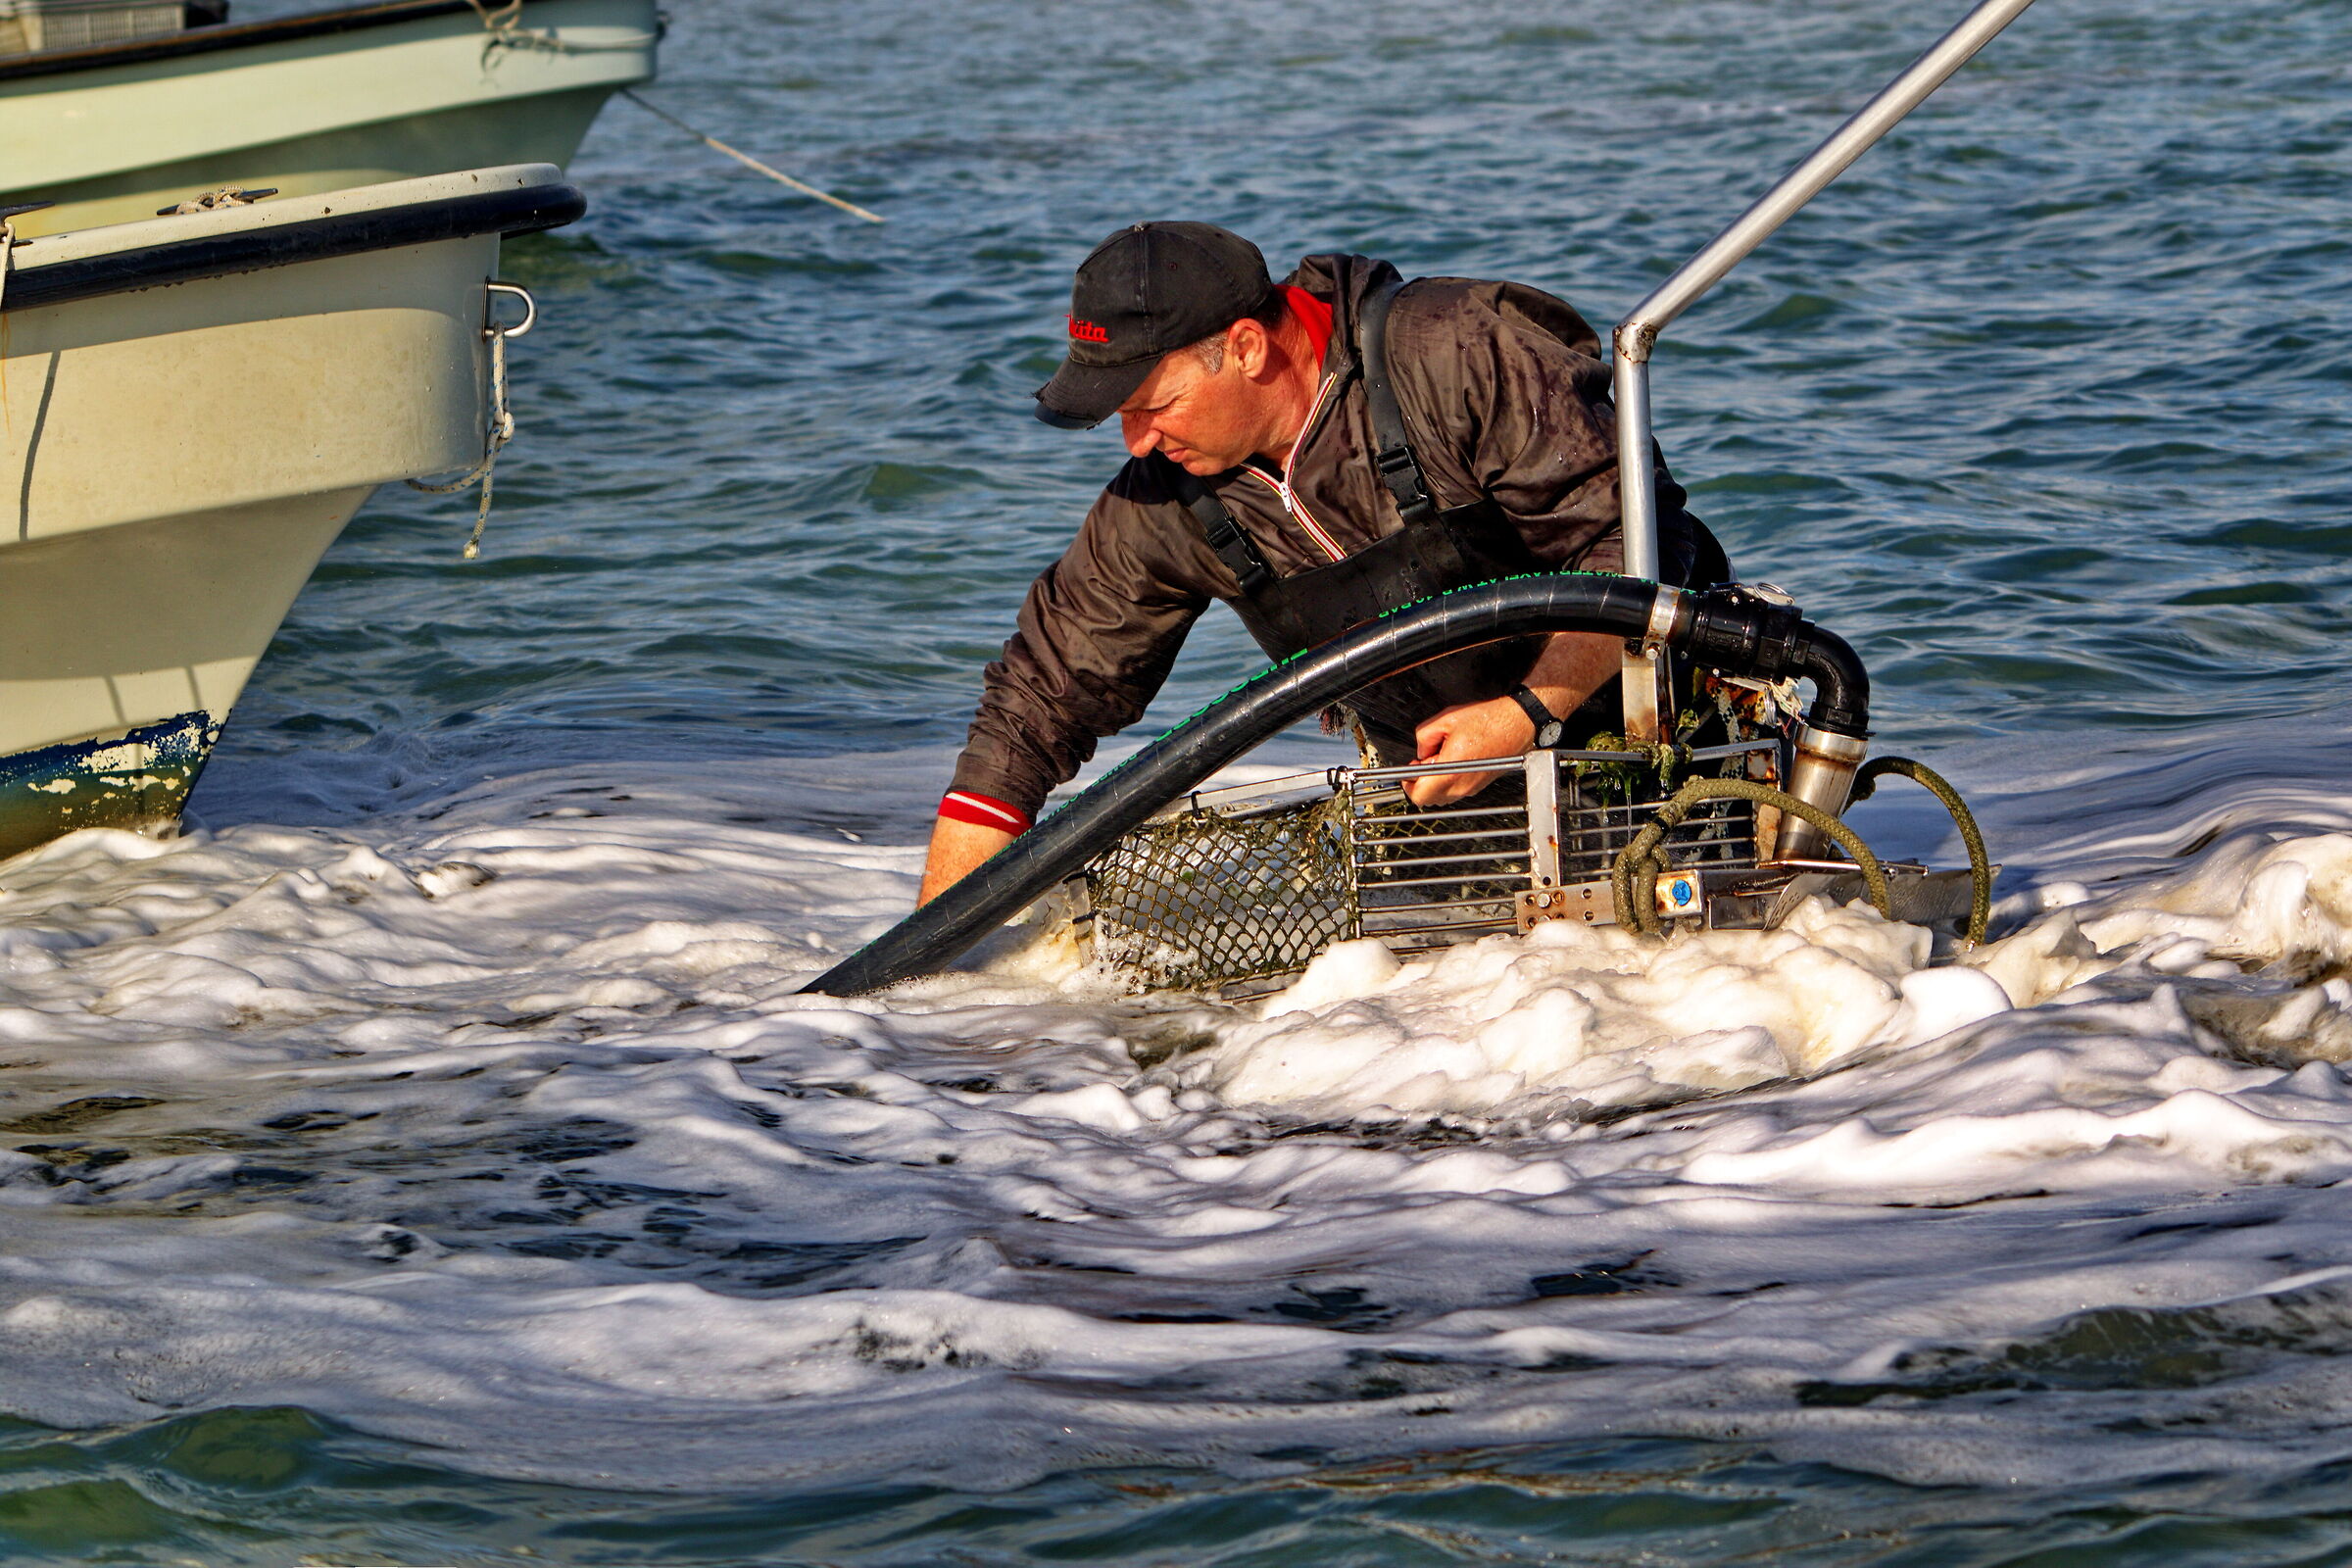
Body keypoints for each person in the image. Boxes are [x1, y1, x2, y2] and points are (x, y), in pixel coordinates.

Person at [921, 221, 1726, 905]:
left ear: (1244, 348)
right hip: (1445, 832)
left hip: (1674, 764)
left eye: (1153, 407)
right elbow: (1035, 706)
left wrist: (1524, 714)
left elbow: (1633, 545)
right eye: (1120, 417)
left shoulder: (1451, 352)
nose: (1137, 443)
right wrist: (922, 990)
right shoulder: (1164, 502)